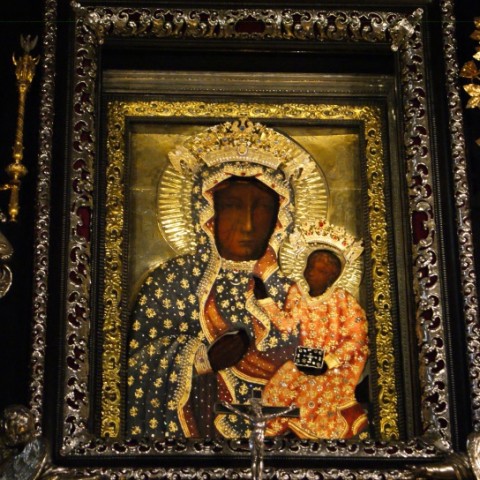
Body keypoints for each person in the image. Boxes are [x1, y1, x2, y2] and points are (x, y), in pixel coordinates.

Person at [126, 119, 324, 439]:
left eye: (261, 208)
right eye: (232, 207)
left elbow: (324, 357)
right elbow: (132, 372)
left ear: (279, 219)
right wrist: (201, 360)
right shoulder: (170, 284)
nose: (247, 225)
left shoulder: (295, 292)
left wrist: (297, 360)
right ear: (208, 214)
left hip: (286, 437)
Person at [257, 222, 369, 439]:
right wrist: (265, 300)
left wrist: (329, 362)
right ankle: (271, 435)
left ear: (332, 277)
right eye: (310, 267)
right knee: (277, 387)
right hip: (307, 360)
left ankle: (311, 439)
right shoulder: (297, 293)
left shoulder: (343, 300)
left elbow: (357, 338)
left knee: (311, 395)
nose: (312, 274)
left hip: (336, 365)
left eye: (321, 271)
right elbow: (286, 324)